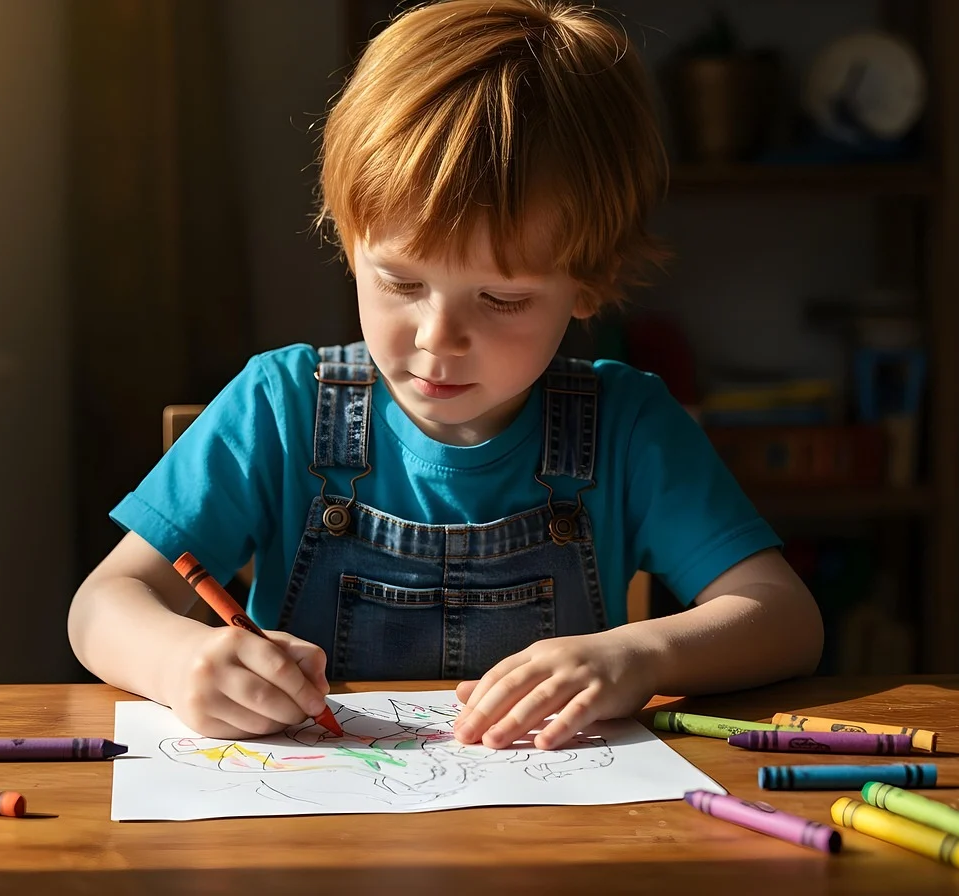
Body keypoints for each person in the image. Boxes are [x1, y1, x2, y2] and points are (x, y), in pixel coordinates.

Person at [68, 0, 823, 753]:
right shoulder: (279, 407)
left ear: (588, 283)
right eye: (399, 283)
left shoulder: (628, 428)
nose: (438, 339)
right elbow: (104, 603)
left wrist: (639, 654)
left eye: (502, 299)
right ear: (349, 240)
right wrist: (180, 661)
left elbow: (785, 618)